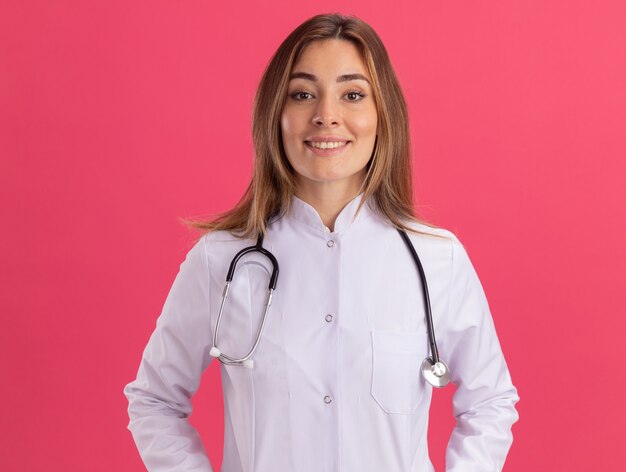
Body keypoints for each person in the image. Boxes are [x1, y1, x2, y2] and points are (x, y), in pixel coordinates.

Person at [124, 13, 519, 472]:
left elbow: (489, 402)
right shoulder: (221, 260)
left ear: (381, 114)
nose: (326, 115)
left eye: (352, 94)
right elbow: (154, 402)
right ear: (276, 114)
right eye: (302, 94)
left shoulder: (437, 260)